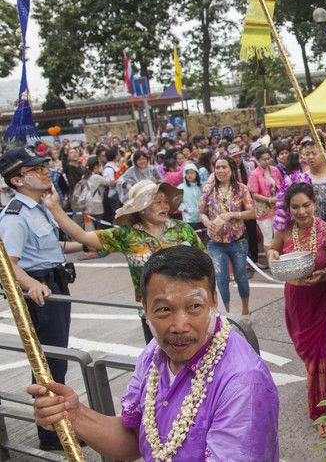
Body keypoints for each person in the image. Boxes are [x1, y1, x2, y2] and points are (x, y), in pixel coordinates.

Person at [28, 245, 279, 460]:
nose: (179, 326)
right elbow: (134, 438)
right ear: (145, 308)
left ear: (214, 301)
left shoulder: (242, 382)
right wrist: (74, 415)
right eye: (164, 310)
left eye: (194, 307)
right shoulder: (154, 353)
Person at [0, 148, 85, 451]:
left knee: (56, 360)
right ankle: (52, 432)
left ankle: (57, 426)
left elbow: (50, 250)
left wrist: (85, 245)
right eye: (35, 169)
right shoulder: (15, 216)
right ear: (17, 179)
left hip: (55, 284)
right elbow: (7, 262)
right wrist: (32, 283)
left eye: (43, 165)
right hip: (42, 292)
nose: (44, 170)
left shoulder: (38, 207)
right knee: (48, 362)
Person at [46, 179, 205, 340]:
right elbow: (83, 236)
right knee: (159, 362)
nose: (164, 206)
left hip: (190, 309)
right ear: (141, 209)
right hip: (154, 314)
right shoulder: (127, 235)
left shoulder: (183, 230)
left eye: (166, 202)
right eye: (157, 202)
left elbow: (205, 262)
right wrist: (54, 208)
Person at [267, 182, 326, 437]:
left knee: (324, 353)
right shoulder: (285, 231)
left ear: (315, 204)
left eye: (306, 205)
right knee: (309, 355)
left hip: (323, 297)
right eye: (295, 207)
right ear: (288, 208)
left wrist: (322, 274)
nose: (301, 211)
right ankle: (319, 388)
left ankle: (320, 412)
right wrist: (272, 256)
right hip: (297, 300)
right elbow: (273, 250)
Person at [199, 156, 255, 319]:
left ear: (232, 170)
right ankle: (227, 314)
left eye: (224, 167)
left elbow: (252, 213)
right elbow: (201, 211)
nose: (221, 171)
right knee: (221, 279)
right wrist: (207, 222)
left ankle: (245, 310)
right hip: (215, 243)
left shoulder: (241, 189)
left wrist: (231, 214)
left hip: (237, 241)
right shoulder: (208, 189)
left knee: (240, 276)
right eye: (217, 168)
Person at [247, 146, 282, 267]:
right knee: (268, 237)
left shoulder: (275, 170)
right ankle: (272, 264)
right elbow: (254, 194)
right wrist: (269, 199)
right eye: (264, 159)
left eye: (268, 158)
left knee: (278, 234)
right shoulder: (254, 174)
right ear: (257, 160)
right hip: (263, 209)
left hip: (277, 207)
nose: (267, 161)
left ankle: (280, 261)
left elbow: (281, 186)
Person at [178, 162, 203, 232]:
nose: (189, 175)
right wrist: (184, 208)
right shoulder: (181, 187)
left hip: (201, 218)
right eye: (187, 173)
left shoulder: (201, 186)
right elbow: (176, 201)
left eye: (192, 173)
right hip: (188, 219)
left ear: (196, 174)